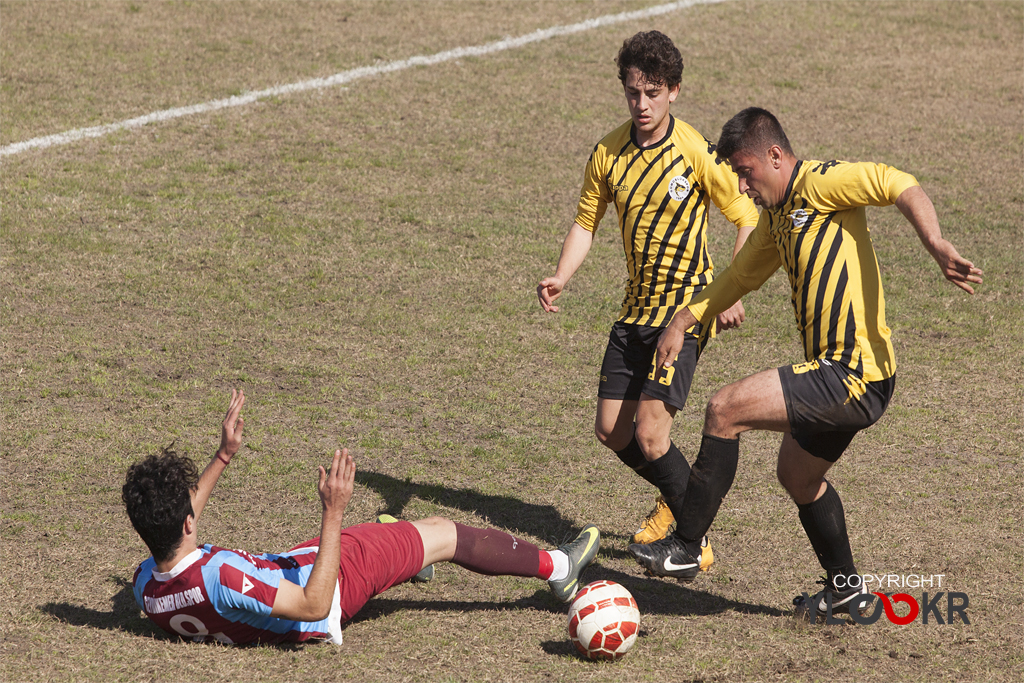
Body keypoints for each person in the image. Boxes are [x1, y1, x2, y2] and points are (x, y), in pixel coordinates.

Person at [627, 107, 982, 616]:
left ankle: (685, 546)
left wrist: (935, 241)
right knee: (798, 476)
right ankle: (847, 591)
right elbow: (738, 279)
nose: (743, 187)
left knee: (724, 408)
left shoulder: (822, 183)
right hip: (845, 377)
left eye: (745, 172)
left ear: (775, 156)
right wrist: (683, 321)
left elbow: (898, 183)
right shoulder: (776, 219)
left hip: (853, 373)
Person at [124, 390, 600, 645]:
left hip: (298, 568)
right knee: (440, 531)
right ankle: (559, 568)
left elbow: (181, 522)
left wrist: (224, 456)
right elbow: (313, 604)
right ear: (186, 524)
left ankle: (403, 556)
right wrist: (333, 511)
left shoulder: (147, 586)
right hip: (326, 591)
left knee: (388, 537)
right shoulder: (221, 576)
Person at [536, 31, 758, 559]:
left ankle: (692, 537)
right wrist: (563, 275)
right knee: (613, 431)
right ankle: (678, 501)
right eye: (634, 92)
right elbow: (586, 222)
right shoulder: (607, 153)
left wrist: (729, 289)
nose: (642, 104)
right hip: (635, 311)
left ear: (674, 92)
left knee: (652, 434)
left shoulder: (697, 152)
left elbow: (746, 216)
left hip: (684, 312)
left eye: (653, 93)